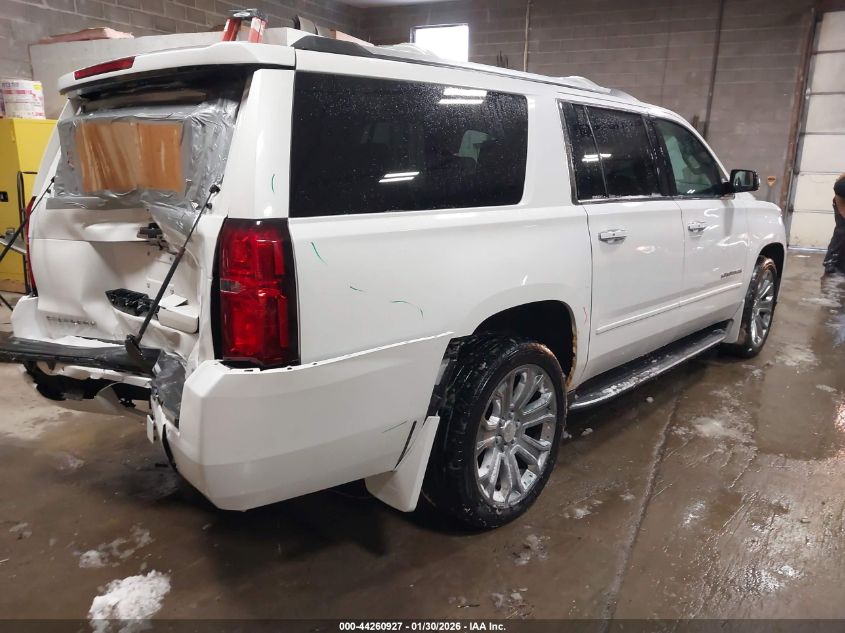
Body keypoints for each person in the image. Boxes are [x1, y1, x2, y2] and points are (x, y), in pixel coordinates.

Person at [823, 173, 845, 275]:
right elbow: (842, 208)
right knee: (842, 230)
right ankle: (830, 259)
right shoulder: (841, 185)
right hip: (842, 202)